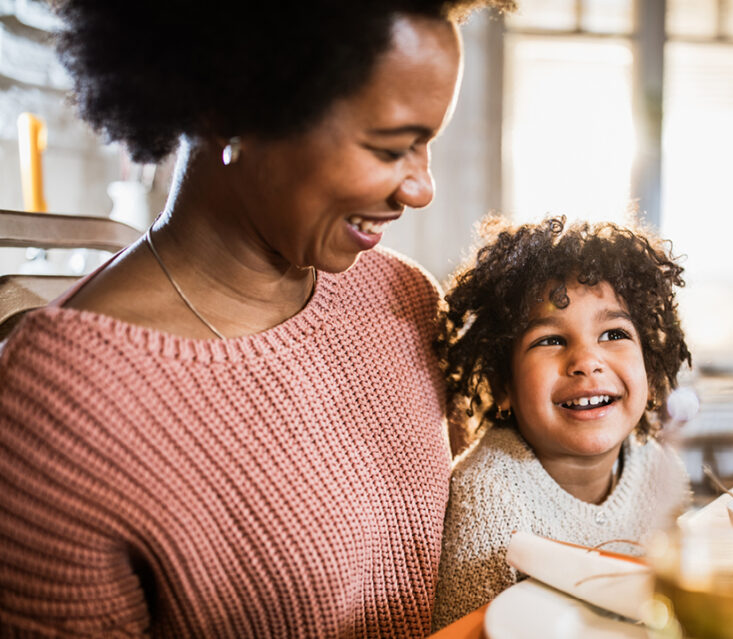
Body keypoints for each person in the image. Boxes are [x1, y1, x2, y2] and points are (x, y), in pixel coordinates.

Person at [0, 1, 514, 636]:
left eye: (427, 145)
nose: (420, 188)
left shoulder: (402, 297)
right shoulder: (66, 397)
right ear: (234, 109)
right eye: (390, 149)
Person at [431, 215, 693, 628]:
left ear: (650, 364)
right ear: (503, 386)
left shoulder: (658, 467)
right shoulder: (487, 500)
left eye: (614, 334)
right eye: (550, 340)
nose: (587, 361)